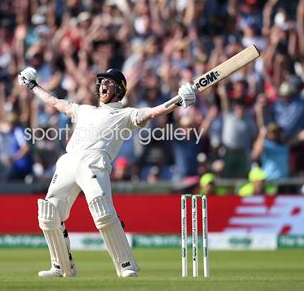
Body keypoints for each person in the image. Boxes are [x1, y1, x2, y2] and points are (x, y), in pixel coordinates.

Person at [18, 67, 196, 278]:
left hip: (95, 163)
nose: (103, 85)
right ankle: (62, 267)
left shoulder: (126, 114)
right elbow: (55, 102)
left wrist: (179, 100)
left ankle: (126, 266)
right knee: (48, 214)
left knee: (103, 213)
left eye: (109, 82)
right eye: (102, 81)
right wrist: (32, 85)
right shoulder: (84, 110)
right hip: (68, 161)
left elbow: (153, 111)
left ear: (119, 89)